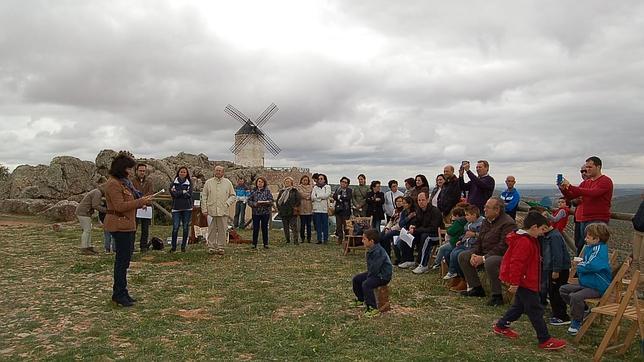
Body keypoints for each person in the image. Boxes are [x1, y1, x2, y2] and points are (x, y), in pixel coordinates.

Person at [493, 212, 567, 351]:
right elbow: (517, 263)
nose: (542, 233)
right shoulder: (524, 242)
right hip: (525, 281)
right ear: (534, 227)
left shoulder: (528, 239)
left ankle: (501, 326)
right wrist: (514, 282)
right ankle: (544, 339)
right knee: (535, 309)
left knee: (519, 307)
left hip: (527, 280)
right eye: (542, 229)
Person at [104, 152, 153, 307]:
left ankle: (122, 291)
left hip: (127, 225)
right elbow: (119, 206)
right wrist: (140, 202)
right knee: (121, 261)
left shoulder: (124, 183)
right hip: (120, 226)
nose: (131, 172)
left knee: (125, 261)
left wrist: (140, 202)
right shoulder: (113, 184)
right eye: (129, 168)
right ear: (122, 168)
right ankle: (118, 294)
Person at [458, 197, 516, 306]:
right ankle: (476, 288)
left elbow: (503, 246)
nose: (484, 209)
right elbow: (479, 241)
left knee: (490, 261)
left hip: (502, 256)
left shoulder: (508, 223)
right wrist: (474, 253)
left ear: (497, 210)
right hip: (485, 252)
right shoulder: (486, 221)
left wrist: (483, 258)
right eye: (485, 207)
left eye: (487, 207)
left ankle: (497, 296)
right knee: (464, 256)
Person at [559, 223, 612, 336]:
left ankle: (577, 321)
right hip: (587, 283)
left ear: (596, 239)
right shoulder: (591, 248)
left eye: (588, 237)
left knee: (575, 296)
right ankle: (583, 310)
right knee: (563, 289)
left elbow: (593, 265)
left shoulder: (599, 249)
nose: (585, 239)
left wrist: (579, 265)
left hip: (597, 286)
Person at [560, 156, 613, 253]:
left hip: (598, 219)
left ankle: (593, 267)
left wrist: (570, 186)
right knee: (582, 247)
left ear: (598, 167)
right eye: (586, 167)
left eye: (590, 167)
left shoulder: (605, 181)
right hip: (585, 218)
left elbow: (593, 193)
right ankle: (582, 266)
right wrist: (564, 189)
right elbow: (572, 196)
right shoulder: (586, 183)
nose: (587, 169)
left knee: (594, 248)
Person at [350, 229, 393, 318]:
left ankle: (372, 308)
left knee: (366, 284)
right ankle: (361, 299)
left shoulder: (378, 252)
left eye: (364, 239)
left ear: (371, 241)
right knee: (357, 279)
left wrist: (368, 278)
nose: (362, 241)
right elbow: (372, 270)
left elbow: (375, 270)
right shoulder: (371, 249)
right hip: (375, 273)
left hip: (383, 276)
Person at [397, 192, 443, 273]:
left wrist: (416, 230)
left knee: (426, 238)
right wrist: (413, 226)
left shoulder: (435, 211)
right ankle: (409, 260)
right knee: (407, 235)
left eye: (423, 200)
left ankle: (423, 265)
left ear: (428, 200)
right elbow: (417, 221)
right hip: (423, 232)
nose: (421, 202)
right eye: (419, 200)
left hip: (436, 234)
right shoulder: (419, 210)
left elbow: (433, 228)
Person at [538, 220, 571, 325]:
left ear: (544, 227)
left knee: (557, 292)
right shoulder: (548, 236)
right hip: (551, 268)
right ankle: (556, 313)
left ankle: (561, 315)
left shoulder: (554, 237)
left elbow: (558, 255)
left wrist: (556, 270)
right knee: (552, 292)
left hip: (558, 269)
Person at [445, 205, 484, 290]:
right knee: (450, 253)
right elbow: (465, 233)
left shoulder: (482, 223)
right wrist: (461, 240)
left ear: (474, 215)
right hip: (465, 243)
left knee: (457, 254)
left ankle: (464, 279)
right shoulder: (468, 223)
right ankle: (457, 276)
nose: (465, 217)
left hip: (474, 246)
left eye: (467, 215)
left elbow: (484, 236)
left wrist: (474, 234)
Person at [201, 165, 236, 255]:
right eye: (216, 170)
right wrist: (204, 209)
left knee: (222, 229)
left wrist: (227, 203)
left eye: (220, 171)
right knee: (211, 229)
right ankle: (211, 246)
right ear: (214, 171)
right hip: (211, 210)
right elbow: (204, 196)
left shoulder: (228, 183)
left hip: (223, 210)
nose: (218, 172)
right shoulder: (208, 182)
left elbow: (233, 196)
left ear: (223, 172)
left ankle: (221, 247)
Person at [430, 206, 467, 270]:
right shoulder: (465, 221)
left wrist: (448, 230)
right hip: (459, 241)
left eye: (453, 216)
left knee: (442, 248)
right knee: (445, 250)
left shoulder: (458, 222)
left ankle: (437, 263)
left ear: (457, 216)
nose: (452, 217)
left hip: (454, 242)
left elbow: (451, 232)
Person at [75, 186, 107, 254]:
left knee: (88, 230)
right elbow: (95, 205)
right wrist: (105, 210)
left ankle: (88, 246)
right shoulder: (98, 193)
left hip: (84, 212)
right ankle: (84, 247)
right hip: (83, 212)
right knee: (87, 230)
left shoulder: (96, 192)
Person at [169, 167, 193, 252]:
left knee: (185, 227)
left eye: (184, 172)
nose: (182, 173)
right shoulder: (173, 183)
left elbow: (189, 194)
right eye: (181, 172)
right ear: (178, 173)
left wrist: (179, 193)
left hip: (187, 208)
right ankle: (173, 247)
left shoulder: (189, 183)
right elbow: (173, 194)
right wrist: (183, 192)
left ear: (187, 174)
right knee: (175, 227)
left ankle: (183, 247)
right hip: (176, 208)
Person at [132, 163, 153, 252]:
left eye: (144, 171)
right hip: (135, 207)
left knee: (145, 229)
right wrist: (140, 202)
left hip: (146, 207)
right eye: (140, 170)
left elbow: (151, 193)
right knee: (133, 228)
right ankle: (131, 246)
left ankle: (143, 246)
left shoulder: (149, 182)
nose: (142, 172)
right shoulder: (132, 181)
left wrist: (145, 202)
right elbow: (132, 193)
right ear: (136, 171)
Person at [248, 177, 273, 249]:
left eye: (262, 182)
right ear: (256, 183)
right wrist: (255, 204)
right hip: (256, 213)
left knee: (264, 228)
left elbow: (271, 200)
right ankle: (254, 243)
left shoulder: (267, 191)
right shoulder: (253, 191)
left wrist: (267, 202)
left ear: (264, 183)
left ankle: (266, 243)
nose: (260, 183)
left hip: (265, 213)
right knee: (255, 228)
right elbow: (249, 201)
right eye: (259, 181)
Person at [389, 196, 415, 264]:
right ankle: (400, 259)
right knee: (395, 242)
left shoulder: (414, 212)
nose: (403, 204)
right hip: (404, 231)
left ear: (410, 204)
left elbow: (414, 222)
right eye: (403, 203)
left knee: (399, 241)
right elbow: (401, 223)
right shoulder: (404, 212)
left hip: (412, 231)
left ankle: (407, 259)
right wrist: (408, 218)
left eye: (405, 203)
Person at [277, 177, 301, 245]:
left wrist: (295, 207)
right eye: (286, 181)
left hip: (292, 211)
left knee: (294, 227)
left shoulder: (294, 190)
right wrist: (279, 209)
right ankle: (287, 240)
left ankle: (295, 241)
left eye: (288, 181)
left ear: (291, 182)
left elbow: (298, 200)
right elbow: (278, 201)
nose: (287, 182)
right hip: (284, 211)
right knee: (285, 227)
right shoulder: (282, 191)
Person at [311, 174, 332, 244]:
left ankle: (325, 239)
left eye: (321, 179)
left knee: (325, 225)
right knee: (318, 225)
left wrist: (318, 197)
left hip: (324, 209)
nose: (320, 180)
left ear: (324, 180)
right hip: (317, 209)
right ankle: (319, 239)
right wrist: (319, 198)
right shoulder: (315, 187)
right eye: (319, 179)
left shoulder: (327, 187)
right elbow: (312, 197)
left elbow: (326, 195)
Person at [333, 176, 353, 243]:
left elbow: (348, 198)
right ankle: (340, 238)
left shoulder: (349, 190)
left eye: (345, 182)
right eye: (342, 182)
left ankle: (347, 239)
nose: (343, 183)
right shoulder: (337, 189)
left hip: (346, 210)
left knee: (346, 226)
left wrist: (340, 197)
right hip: (338, 210)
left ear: (347, 184)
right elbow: (334, 196)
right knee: (338, 226)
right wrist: (341, 197)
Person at [297, 175, 313, 243]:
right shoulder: (299, 187)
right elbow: (300, 194)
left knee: (309, 225)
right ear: (301, 180)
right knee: (302, 224)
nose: (305, 181)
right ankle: (302, 238)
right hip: (302, 208)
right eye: (304, 180)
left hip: (309, 208)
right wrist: (307, 195)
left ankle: (309, 238)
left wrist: (306, 195)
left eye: (306, 180)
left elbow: (312, 195)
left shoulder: (311, 187)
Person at [632, 192, 644, 272]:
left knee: (641, 259)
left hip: (639, 229)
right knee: (636, 258)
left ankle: (640, 280)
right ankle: (634, 279)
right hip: (638, 230)